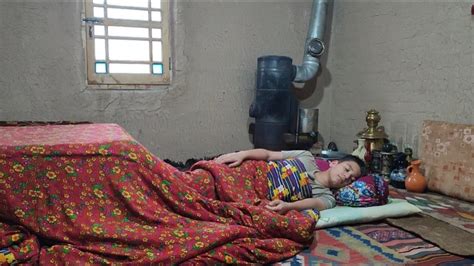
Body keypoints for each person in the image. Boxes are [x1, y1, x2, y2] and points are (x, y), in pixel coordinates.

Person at [214, 148, 366, 214]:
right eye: (347, 169)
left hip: (256, 193)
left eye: (351, 179)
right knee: (207, 175)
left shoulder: (327, 198)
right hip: (251, 171)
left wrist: (287, 206)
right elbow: (267, 155)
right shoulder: (306, 156)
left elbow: (309, 204)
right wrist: (242, 154)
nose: (347, 177)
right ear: (334, 163)